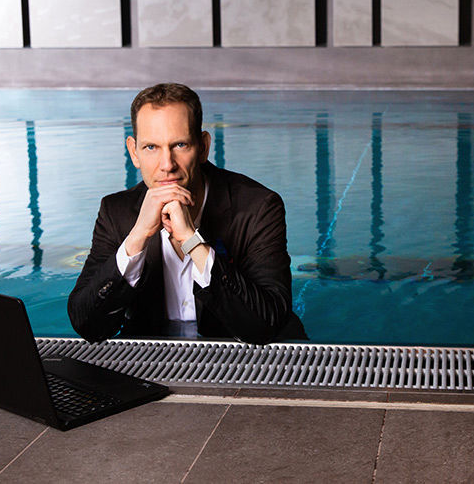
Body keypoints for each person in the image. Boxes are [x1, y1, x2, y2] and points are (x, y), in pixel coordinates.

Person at [68, 83, 307, 345]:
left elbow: (266, 325)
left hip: (247, 359)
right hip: (155, 363)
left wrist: (192, 240)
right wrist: (136, 238)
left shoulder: (257, 208)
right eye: (151, 147)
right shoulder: (117, 212)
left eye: (180, 145)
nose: (167, 165)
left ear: (203, 147)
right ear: (133, 152)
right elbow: (86, 324)